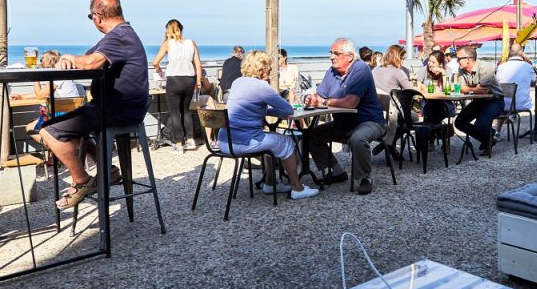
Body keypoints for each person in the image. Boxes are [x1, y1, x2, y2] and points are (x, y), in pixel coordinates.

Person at [30, 0, 149, 211]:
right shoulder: (119, 36)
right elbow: (87, 57)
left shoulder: (119, 35)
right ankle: (108, 170)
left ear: (97, 17)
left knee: (48, 131)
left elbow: (91, 63)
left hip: (116, 109)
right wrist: (68, 59)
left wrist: (68, 56)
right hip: (121, 107)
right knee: (74, 128)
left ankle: (83, 181)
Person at [219, 50, 317, 200]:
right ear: (262, 69)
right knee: (287, 142)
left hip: (225, 141)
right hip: (243, 142)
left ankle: (270, 183)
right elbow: (288, 109)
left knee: (271, 140)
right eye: (269, 66)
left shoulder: (237, 82)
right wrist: (268, 91)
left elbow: (251, 107)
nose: (271, 69)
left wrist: (265, 109)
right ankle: (297, 188)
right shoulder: (261, 87)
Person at [304, 38, 386, 195]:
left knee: (358, 139)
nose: (331, 57)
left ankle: (365, 178)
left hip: (369, 121)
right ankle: (337, 171)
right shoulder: (332, 72)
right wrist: (312, 99)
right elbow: (319, 96)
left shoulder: (361, 69)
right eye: (331, 53)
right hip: (343, 124)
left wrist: (325, 101)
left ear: (350, 56)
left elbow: (350, 103)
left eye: (336, 53)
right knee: (310, 135)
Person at [151, 19, 203, 153]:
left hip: (174, 80)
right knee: (186, 111)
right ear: (181, 29)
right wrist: (198, 82)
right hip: (189, 79)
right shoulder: (191, 42)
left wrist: (158, 70)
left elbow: (155, 62)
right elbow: (198, 64)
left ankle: (179, 144)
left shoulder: (167, 43)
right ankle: (191, 140)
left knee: (174, 113)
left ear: (168, 30)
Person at [452, 45, 505, 153]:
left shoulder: (485, 67)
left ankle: (487, 138)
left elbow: (484, 90)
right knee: (459, 122)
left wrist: (468, 89)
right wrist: (474, 89)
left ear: (468, 59)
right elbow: (460, 88)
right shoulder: (461, 69)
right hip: (479, 101)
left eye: (459, 58)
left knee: (481, 125)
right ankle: (488, 138)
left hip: (495, 101)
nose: (457, 61)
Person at [372, 44, 411, 155]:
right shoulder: (398, 72)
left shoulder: (375, 69)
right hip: (392, 111)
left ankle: (387, 143)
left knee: (402, 120)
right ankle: (389, 143)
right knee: (413, 118)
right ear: (399, 58)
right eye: (403, 58)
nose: (403, 61)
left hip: (377, 110)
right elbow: (410, 91)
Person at [495, 43, 536, 123]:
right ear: (522, 53)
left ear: (510, 52)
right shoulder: (528, 66)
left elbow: (497, 83)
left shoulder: (501, 67)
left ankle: (498, 130)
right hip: (521, 104)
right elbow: (534, 82)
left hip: (502, 104)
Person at [421, 50, 454, 124]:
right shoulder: (424, 70)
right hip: (427, 104)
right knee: (432, 105)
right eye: (429, 61)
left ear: (440, 64)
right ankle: (434, 128)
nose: (429, 64)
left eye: (433, 62)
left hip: (445, 104)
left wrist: (443, 73)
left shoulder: (447, 70)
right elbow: (417, 84)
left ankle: (434, 128)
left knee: (436, 106)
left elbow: (447, 90)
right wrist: (425, 88)